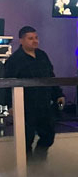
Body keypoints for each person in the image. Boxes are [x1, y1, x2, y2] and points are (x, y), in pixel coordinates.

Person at [2, 26, 64, 161]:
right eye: (30, 38)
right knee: (26, 140)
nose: (35, 41)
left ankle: (38, 164)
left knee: (48, 136)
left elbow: (50, 77)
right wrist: (9, 105)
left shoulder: (42, 55)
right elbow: (7, 84)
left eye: (36, 38)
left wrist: (58, 94)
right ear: (21, 40)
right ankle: (29, 171)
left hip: (44, 104)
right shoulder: (14, 60)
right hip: (25, 106)